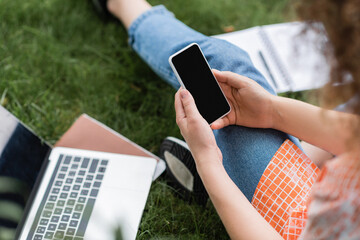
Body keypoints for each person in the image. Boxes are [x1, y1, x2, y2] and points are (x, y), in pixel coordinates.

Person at [94, 0, 360, 239]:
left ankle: (121, 4)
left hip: (302, 220)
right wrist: (269, 110)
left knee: (224, 62)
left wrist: (208, 162)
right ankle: (250, 169)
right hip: (342, 185)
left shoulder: (341, 217)